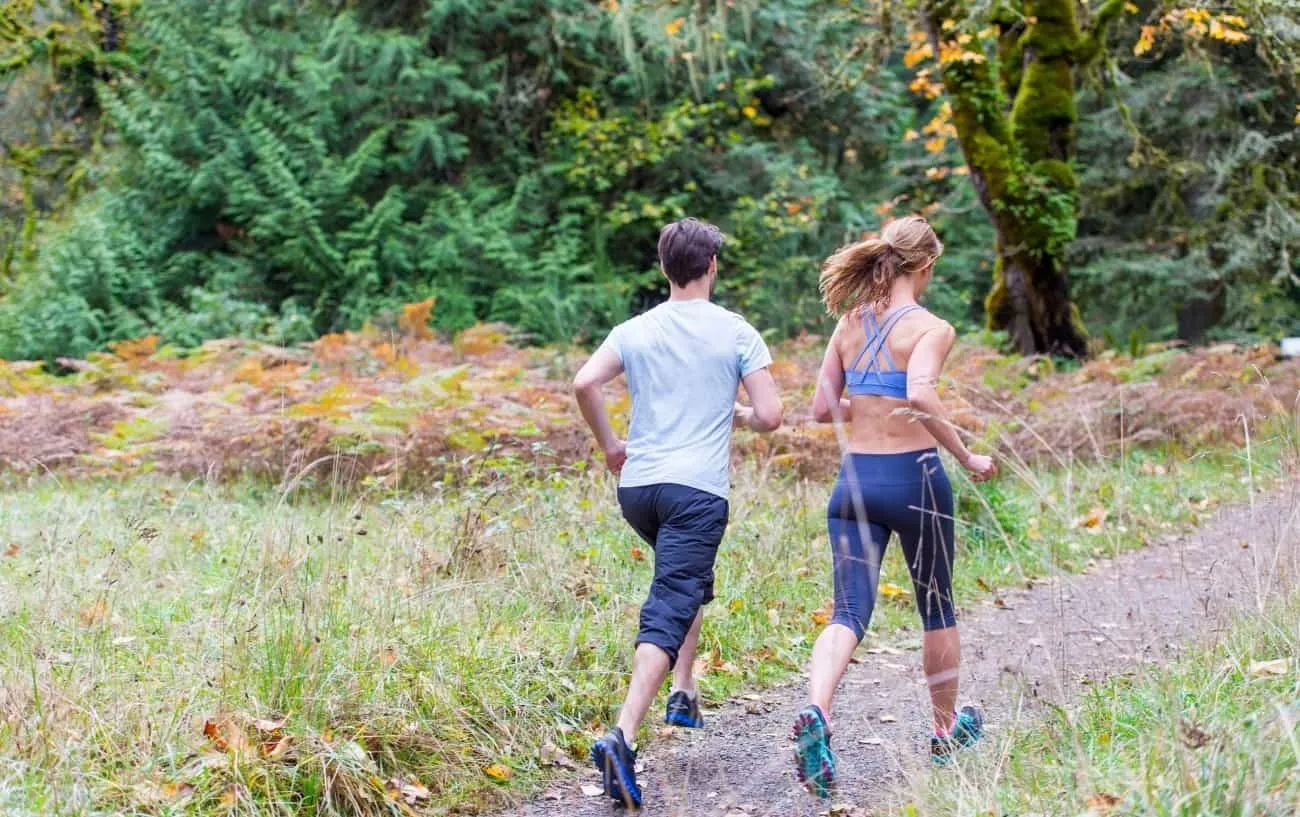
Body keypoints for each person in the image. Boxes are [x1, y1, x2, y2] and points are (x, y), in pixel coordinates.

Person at [572, 217, 784, 808]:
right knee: (671, 600)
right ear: (712, 266)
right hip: (695, 491)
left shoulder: (634, 329)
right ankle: (623, 735)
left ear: (666, 269)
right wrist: (734, 412)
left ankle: (684, 690)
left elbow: (584, 383)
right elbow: (770, 415)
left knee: (684, 578)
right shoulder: (736, 332)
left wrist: (611, 447)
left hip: (639, 490)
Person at [792, 215, 997, 797]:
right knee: (937, 605)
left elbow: (821, 408)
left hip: (854, 481)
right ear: (926, 266)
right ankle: (944, 729)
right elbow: (919, 393)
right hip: (917, 478)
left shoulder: (849, 323)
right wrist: (966, 454)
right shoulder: (931, 328)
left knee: (848, 612)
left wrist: (867, 393)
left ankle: (818, 712)